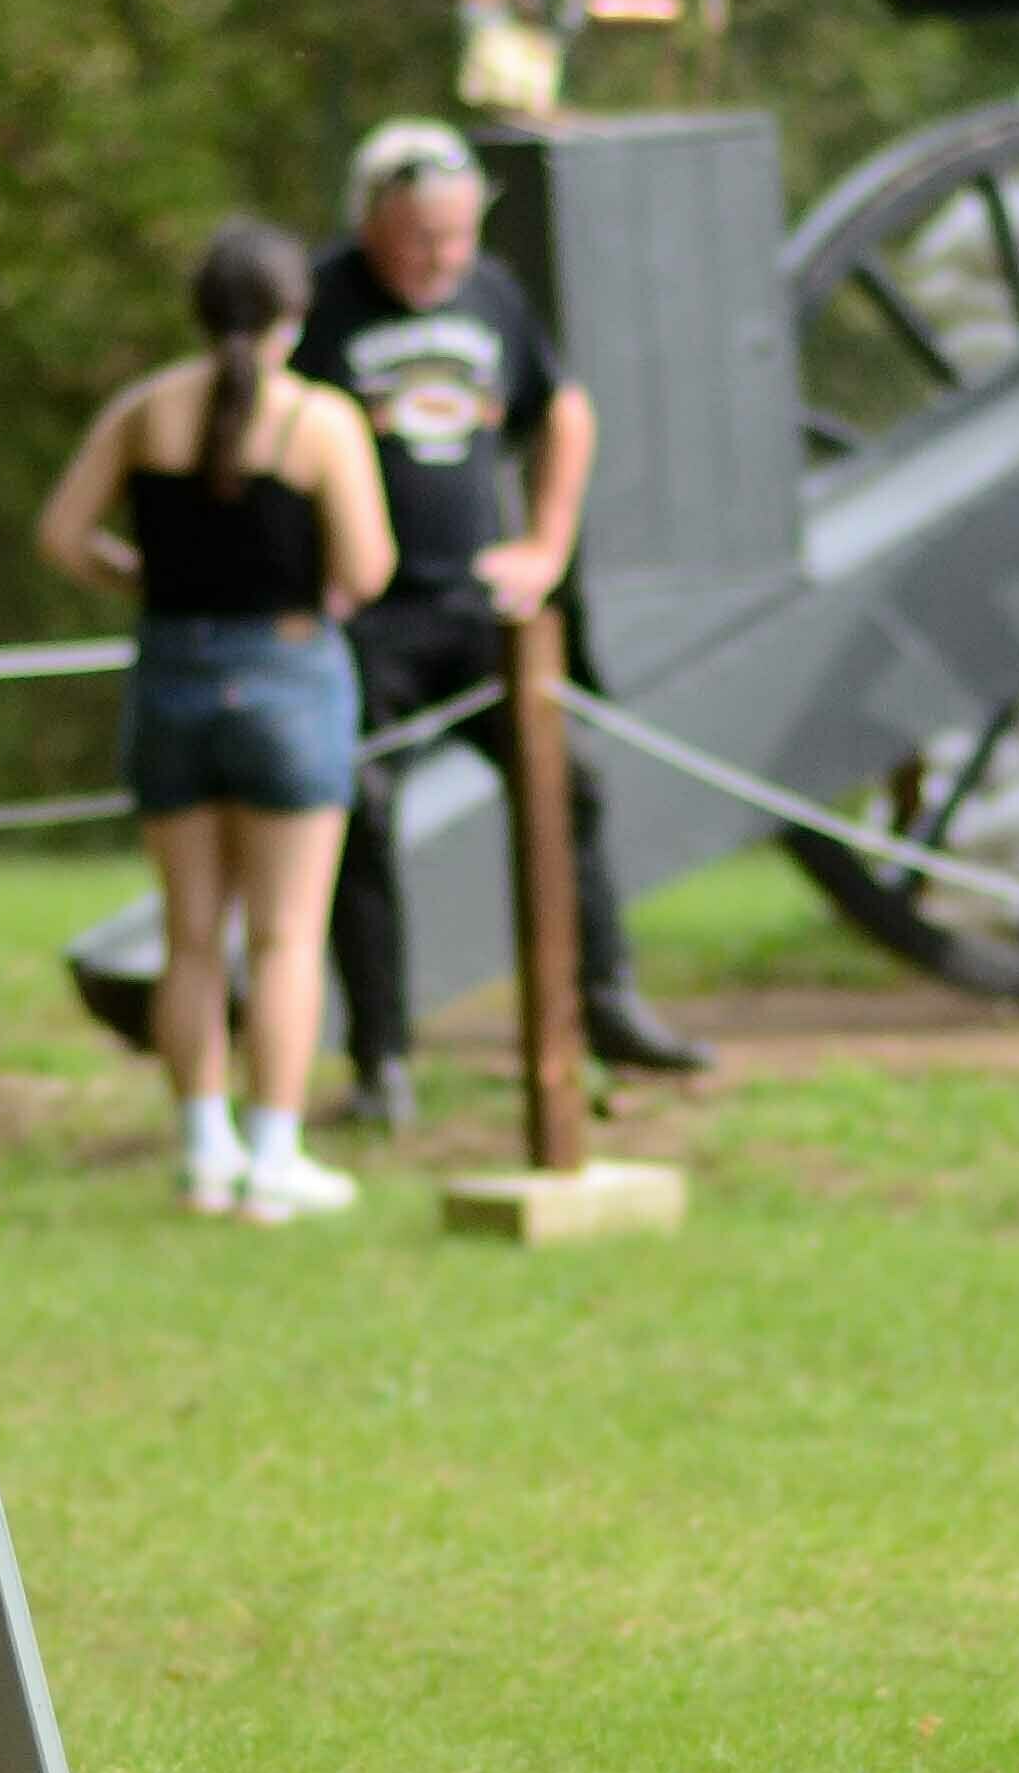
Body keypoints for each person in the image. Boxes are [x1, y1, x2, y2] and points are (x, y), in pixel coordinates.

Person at [301, 120, 711, 1130]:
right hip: (365, 623)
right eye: (415, 241)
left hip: (479, 611)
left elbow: (562, 411)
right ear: (368, 225)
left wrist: (545, 546)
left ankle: (604, 1001)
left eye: (452, 237)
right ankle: (380, 1061)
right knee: (357, 811)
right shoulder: (318, 303)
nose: (438, 260)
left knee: (565, 785)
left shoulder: (492, 295)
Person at [36, 219, 398, 1220]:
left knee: (191, 935)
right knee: (285, 937)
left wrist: (138, 579)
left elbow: (62, 535)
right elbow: (368, 570)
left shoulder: (145, 409)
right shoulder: (316, 421)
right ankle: (273, 1159)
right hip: (285, 674)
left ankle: (203, 1152)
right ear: (293, 313)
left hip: (169, 677)